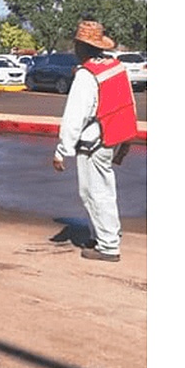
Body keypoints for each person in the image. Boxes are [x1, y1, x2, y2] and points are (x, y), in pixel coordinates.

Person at [52, 20, 138, 262]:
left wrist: (62, 150)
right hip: (112, 139)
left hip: (94, 143)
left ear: (82, 46)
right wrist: (127, 142)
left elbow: (75, 116)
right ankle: (104, 235)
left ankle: (108, 246)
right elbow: (127, 104)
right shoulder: (116, 67)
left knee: (93, 193)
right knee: (104, 191)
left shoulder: (87, 75)